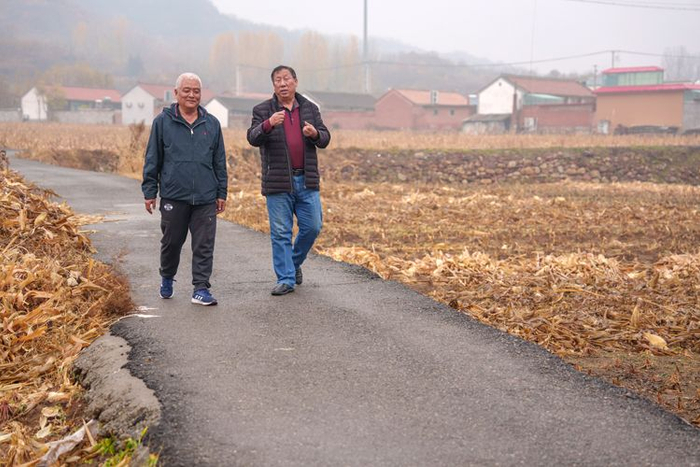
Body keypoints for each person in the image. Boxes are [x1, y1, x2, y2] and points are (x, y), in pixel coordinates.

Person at [142, 72, 228, 306]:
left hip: (205, 196)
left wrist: (221, 192)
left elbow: (219, 161)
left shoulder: (211, 124)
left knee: (204, 244)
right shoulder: (162, 122)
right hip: (174, 195)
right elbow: (153, 157)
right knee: (171, 242)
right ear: (176, 93)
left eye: (196, 91)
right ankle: (167, 277)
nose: (192, 95)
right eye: (187, 90)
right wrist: (150, 191)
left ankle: (201, 288)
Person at [247, 65, 331, 296]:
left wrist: (315, 134)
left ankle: (292, 264)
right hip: (278, 182)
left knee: (313, 226)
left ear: (295, 81)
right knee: (281, 232)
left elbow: (325, 139)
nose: (283, 83)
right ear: (273, 85)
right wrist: (268, 124)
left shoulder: (310, 108)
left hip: (306, 180)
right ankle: (285, 279)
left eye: (286, 79)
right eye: (278, 80)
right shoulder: (263, 110)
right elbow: (252, 137)